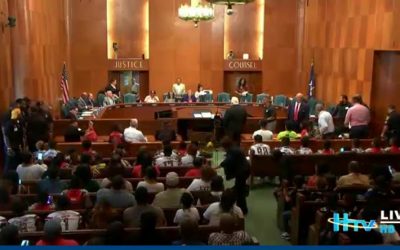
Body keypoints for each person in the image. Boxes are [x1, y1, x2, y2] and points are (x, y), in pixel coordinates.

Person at [219, 139, 250, 214]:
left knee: (239, 191)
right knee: (239, 189)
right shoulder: (234, 148)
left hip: (242, 172)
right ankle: (241, 207)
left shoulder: (232, 151)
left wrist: (220, 165)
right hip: (244, 170)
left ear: (225, 146)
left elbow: (229, 161)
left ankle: (243, 210)